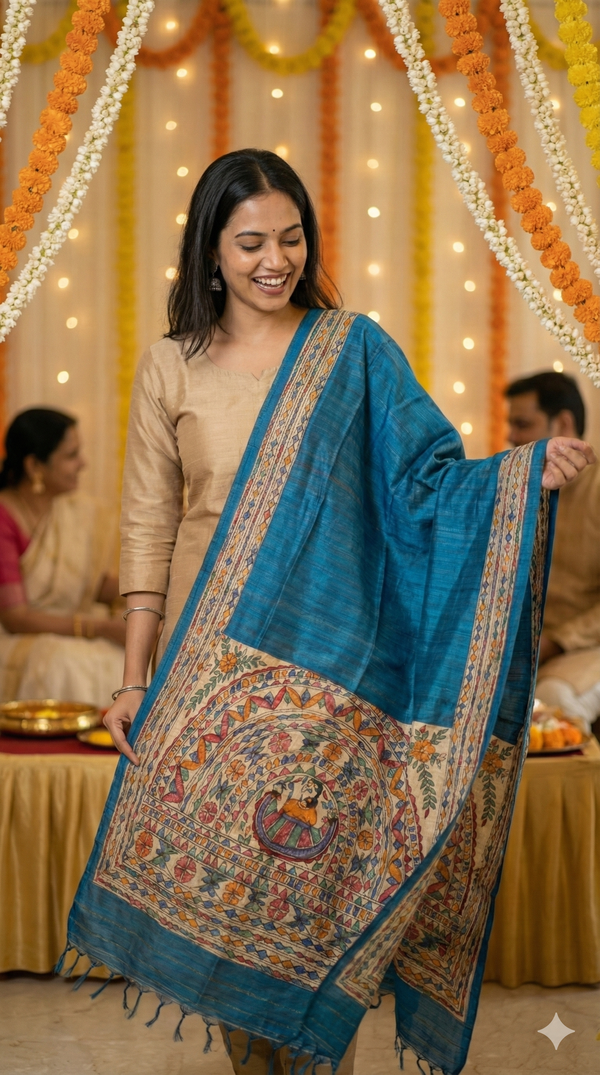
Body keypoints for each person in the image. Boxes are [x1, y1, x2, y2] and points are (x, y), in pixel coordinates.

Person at [65, 150, 594, 1075]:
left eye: (292, 236)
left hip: (329, 680)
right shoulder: (171, 367)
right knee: (227, 916)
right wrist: (133, 678)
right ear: (211, 249)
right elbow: (148, 529)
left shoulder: (351, 348)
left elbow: (424, 483)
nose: (277, 259)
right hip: (207, 677)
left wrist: (517, 475)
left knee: (306, 918)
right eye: (252, 241)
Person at [0, 408, 126, 708]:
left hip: (66, 632)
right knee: (67, 665)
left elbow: (88, 585)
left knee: (131, 655)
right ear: (34, 465)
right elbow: (15, 618)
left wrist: (154, 590)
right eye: (71, 455)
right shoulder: (5, 517)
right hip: (17, 639)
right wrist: (101, 628)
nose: (83, 464)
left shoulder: (71, 512)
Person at [506, 372, 600, 734]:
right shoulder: (519, 492)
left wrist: (556, 642)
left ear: (563, 423)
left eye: (522, 424)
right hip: (530, 652)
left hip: (584, 650)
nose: (511, 437)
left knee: (555, 702)